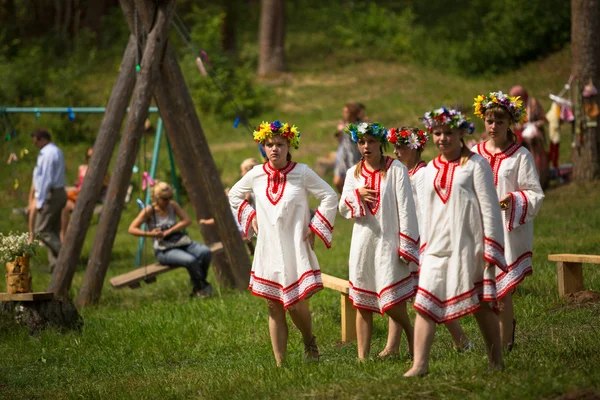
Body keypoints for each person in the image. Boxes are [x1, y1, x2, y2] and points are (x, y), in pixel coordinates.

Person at [404, 108, 506, 377]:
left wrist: (490, 247)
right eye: (437, 133)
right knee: (425, 302)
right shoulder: (428, 171)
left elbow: (490, 208)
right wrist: (422, 247)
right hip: (436, 247)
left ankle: (496, 360)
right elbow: (424, 211)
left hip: (469, 246)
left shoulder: (475, 164)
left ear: (461, 133)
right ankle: (420, 365)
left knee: (480, 305)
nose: (442, 138)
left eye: (448, 133)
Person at [228, 120, 337, 366]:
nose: (274, 149)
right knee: (273, 306)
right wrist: (251, 215)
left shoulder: (303, 172)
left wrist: (315, 226)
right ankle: (280, 364)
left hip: (294, 247)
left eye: (280, 144)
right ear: (263, 148)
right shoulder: (255, 174)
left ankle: (309, 340)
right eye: (269, 145)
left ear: (290, 145)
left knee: (296, 306)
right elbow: (234, 195)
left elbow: (329, 195)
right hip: (268, 248)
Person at [386, 126, 473, 355]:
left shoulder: (423, 174)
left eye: (401, 146)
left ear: (415, 148)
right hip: (405, 239)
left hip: (421, 242)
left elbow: (426, 211)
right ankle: (392, 346)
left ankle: (462, 340)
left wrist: (423, 245)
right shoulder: (402, 173)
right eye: (394, 146)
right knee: (399, 291)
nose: (396, 152)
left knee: (430, 295)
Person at [338, 122, 419, 361]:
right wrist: (357, 195)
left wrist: (407, 244)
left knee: (392, 301)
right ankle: (363, 358)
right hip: (363, 245)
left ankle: (412, 335)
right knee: (362, 303)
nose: (366, 146)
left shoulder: (396, 170)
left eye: (371, 141)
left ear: (380, 143)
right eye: (361, 142)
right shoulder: (354, 172)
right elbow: (343, 207)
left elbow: (406, 209)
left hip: (388, 243)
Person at [472, 91, 545, 350]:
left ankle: (504, 342)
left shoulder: (520, 155)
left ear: (509, 124)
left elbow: (534, 192)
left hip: (507, 228)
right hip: (480, 228)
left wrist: (513, 199)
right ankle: (494, 339)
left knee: (502, 289)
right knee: (482, 290)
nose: (493, 127)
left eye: (500, 122)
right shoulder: (474, 153)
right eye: (490, 121)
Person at [128, 181, 213, 298]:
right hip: (164, 249)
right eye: (164, 199)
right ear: (156, 198)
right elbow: (132, 229)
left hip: (180, 241)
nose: (168, 201)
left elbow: (187, 220)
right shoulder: (149, 211)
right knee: (190, 260)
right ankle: (201, 287)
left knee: (205, 252)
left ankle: (198, 284)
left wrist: (170, 230)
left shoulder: (173, 205)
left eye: (170, 197)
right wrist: (150, 234)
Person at [28, 129, 67, 273]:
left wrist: (40, 201)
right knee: (53, 230)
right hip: (57, 193)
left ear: (41, 139)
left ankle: (65, 256)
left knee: (41, 230)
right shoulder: (55, 151)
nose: (35, 144)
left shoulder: (49, 153)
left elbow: (46, 178)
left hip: (52, 194)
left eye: (36, 141)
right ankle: (56, 266)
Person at [60, 147, 109, 241]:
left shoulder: (102, 169)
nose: (91, 158)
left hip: (87, 196)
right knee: (65, 207)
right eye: (89, 156)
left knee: (69, 208)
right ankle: (63, 236)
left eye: (94, 155)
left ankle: (67, 238)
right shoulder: (82, 168)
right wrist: (77, 184)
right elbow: (80, 182)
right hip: (78, 193)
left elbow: (106, 185)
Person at [509, 85, 549, 189]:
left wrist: (533, 125)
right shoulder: (513, 106)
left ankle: (540, 181)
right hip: (520, 139)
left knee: (536, 159)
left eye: (518, 96)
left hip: (534, 139)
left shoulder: (533, 103)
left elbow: (544, 120)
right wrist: (517, 126)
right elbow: (510, 123)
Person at [333, 103, 363, 193]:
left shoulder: (359, 127)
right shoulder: (343, 125)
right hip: (343, 157)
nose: (344, 114)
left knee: (355, 183)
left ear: (352, 113)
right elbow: (339, 141)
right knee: (337, 181)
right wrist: (339, 131)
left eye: (346, 112)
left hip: (355, 157)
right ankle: (345, 199)